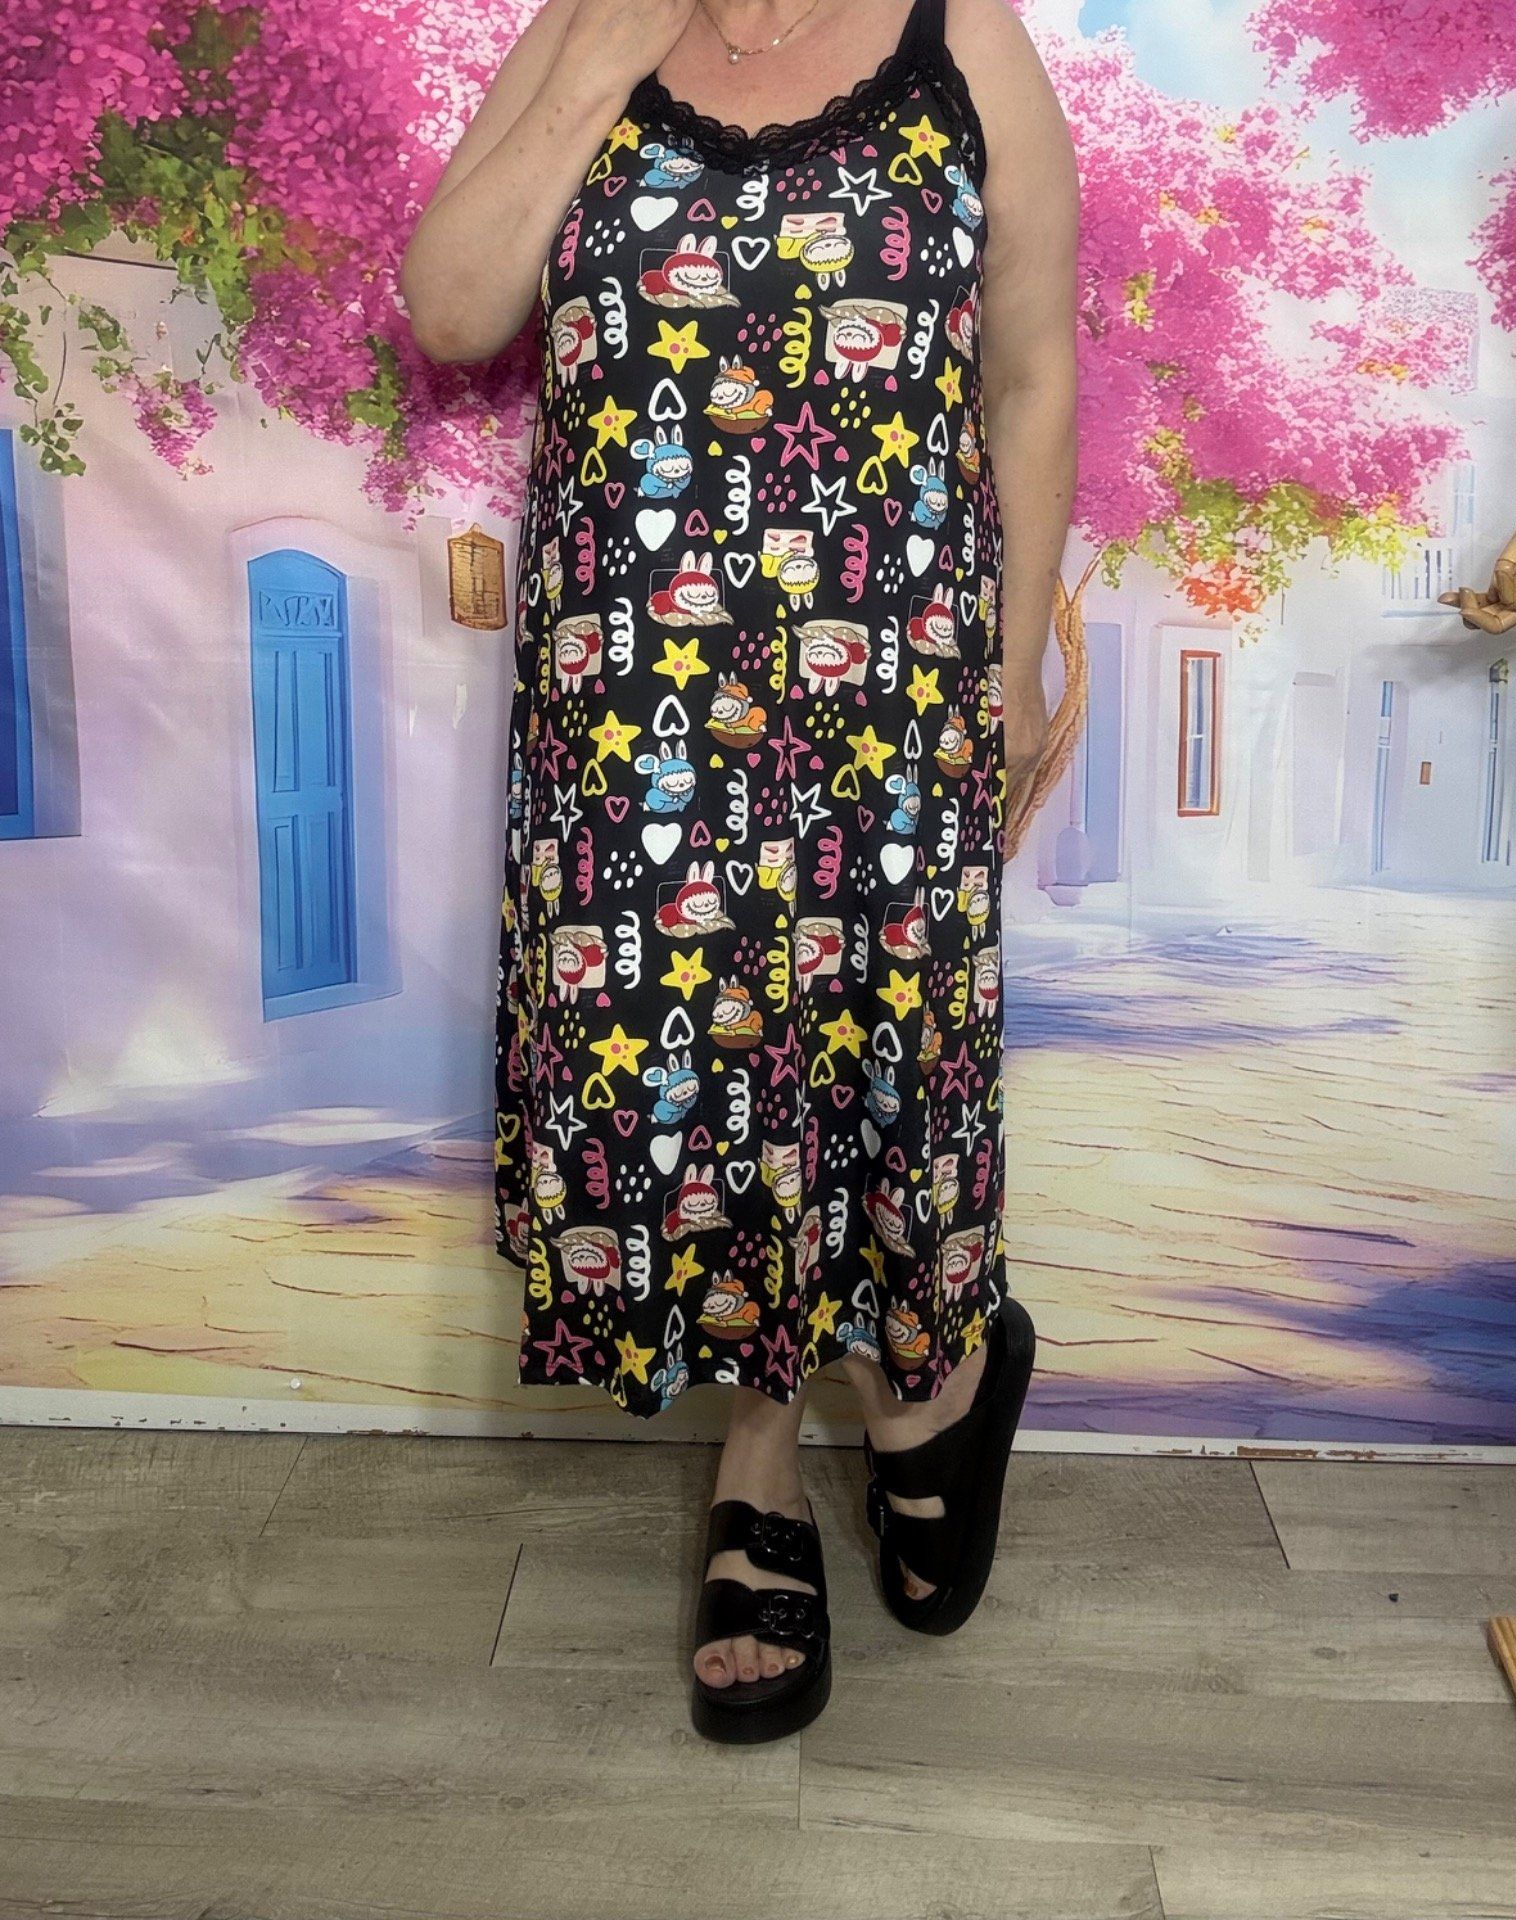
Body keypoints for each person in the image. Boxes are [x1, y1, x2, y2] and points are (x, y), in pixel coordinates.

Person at [402, 0, 1078, 1744]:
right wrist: (596, 61)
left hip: (889, 683)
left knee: (870, 1056)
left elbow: (1026, 375)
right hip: (637, 702)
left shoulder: (959, 39)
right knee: (689, 1073)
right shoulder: (588, 28)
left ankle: (923, 1384)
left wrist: (1008, 674)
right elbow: (455, 310)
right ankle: (766, 1452)